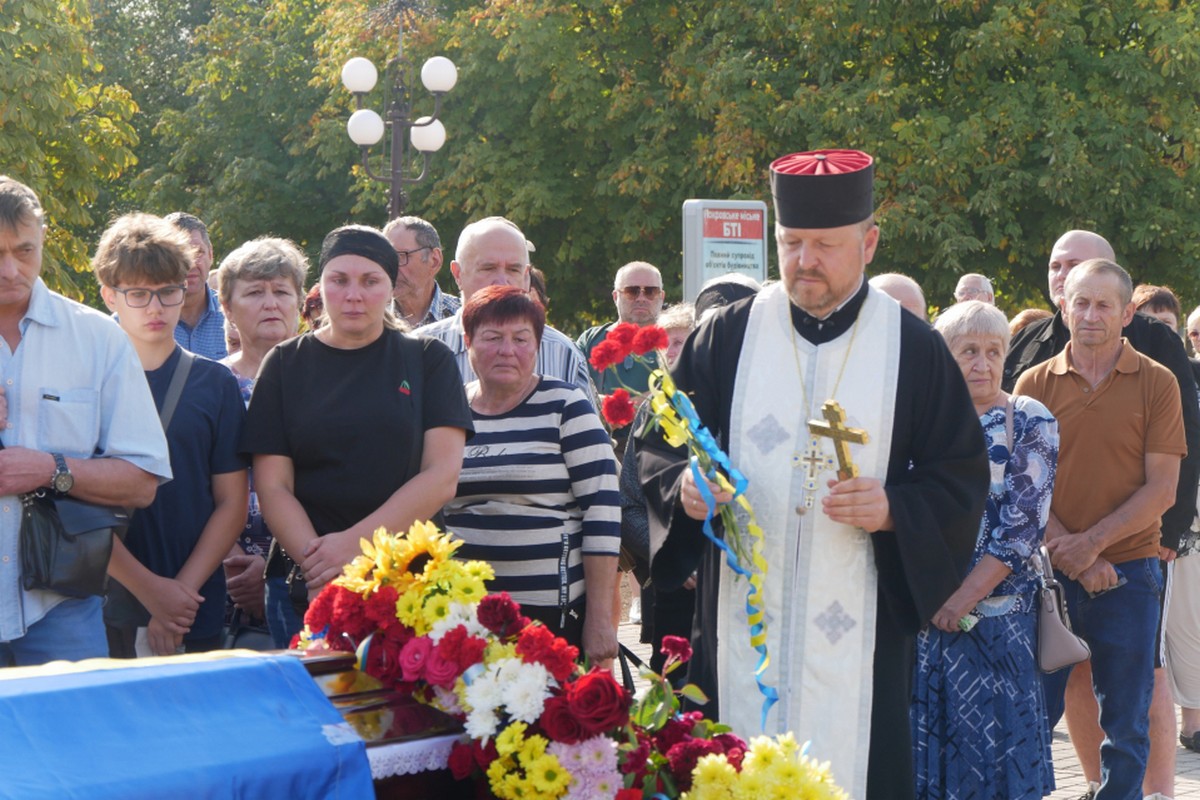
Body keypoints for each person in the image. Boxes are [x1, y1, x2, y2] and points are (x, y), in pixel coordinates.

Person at [637, 149, 988, 800]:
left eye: (826, 245)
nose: (805, 261)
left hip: (860, 641)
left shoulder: (912, 347)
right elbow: (657, 444)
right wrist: (685, 489)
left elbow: (960, 475)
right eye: (792, 242)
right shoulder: (728, 337)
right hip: (740, 632)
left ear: (869, 241)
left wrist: (892, 510)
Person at [1004, 231, 1200, 800]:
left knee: (1127, 723)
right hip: (1048, 576)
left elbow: (1162, 488)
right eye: (1080, 303)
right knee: (1032, 716)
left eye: (1103, 305)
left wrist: (1092, 546)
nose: (1090, 315)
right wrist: (1073, 552)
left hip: (1132, 573)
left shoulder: (1157, 382)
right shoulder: (1032, 383)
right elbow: (1024, 487)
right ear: (1064, 307)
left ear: (1127, 312)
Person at [243, 225, 472, 613]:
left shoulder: (427, 359)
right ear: (320, 285)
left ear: (391, 288)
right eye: (339, 280)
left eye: (370, 281)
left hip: (409, 588)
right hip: (307, 586)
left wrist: (354, 548)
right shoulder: (284, 364)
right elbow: (273, 487)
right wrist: (321, 568)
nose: (353, 295)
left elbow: (441, 477)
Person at [0, 178, 170, 666]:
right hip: (64, 611)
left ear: (44, 239)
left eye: (24, 250)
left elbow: (142, 482)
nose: (11, 269)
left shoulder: (98, 339)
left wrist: (49, 467)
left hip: (62, 609)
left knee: (74, 741)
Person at [912, 300, 1057, 799]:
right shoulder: (917, 422)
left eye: (994, 351)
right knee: (924, 764)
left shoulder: (1029, 419)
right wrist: (929, 596)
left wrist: (960, 599)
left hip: (999, 626)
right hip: (924, 629)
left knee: (1000, 767)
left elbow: (1022, 529)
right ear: (943, 357)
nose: (983, 362)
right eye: (968, 350)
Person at [95, 214, 248, 657]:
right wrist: (151, 593)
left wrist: (178, 595)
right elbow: (71, 505)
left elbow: (231, 502)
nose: (156, 308)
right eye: (138, 294)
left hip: (192, 602)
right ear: (110, 294)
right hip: (102, 601)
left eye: (168, 292)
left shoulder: (214, 383)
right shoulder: (87, 382)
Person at [443, 285, 619, 662]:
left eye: (521, 338)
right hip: (463, 616)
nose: (507, 350)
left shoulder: (567, 406)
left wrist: (601, 620)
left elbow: (603, 515)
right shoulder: (448, 410)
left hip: (549, 619)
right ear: (467, 341)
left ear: (537, 344)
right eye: (492, 337)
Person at [217, 237, 307, 647]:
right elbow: (190, 483)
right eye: (254, 292)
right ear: (227, 308)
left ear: (300, 303)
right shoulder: (209, 385)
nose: (271, 302)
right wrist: (234, 563)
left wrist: (276, 567)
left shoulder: (326, 380)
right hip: (222, 582)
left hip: (310, 575)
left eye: (281, 291)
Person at [422, 217, 597, 407]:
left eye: (513, 270)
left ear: (526, 276)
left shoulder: (563, 354)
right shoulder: (419, 352)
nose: (501, 282)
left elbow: (589, 434)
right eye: (488, 268)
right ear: (458, 274)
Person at [620, 301, 698, 676]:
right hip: (670, 592)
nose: (671, 351)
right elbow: (629, 504)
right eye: (665, 343)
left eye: (682, 341)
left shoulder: (734, 408)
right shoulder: (651, 412)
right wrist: (668, 558)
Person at [576, 261, 666, 395]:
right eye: (632, 291)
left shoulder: (675, 341)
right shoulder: (591, 340)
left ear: (662, 297)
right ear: (615, 297)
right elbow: (572, 387)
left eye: (650, 291)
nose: (641, 298)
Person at [1174, 305, 1200, 753]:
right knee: (1188, 630)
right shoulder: (1185, 380)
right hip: (1190, 531)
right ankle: (1192, 724)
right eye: (1195, 332)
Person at [164, 212, 227, 359]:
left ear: (211, 255)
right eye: (180, 255)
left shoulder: (235, 316)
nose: (191, 263)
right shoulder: (134, 324)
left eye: (198, 252)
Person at [382, 216, 460, 329]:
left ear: (434, 260)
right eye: (385, 258)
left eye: (400, 257)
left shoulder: (465, 318)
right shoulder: (373, 321)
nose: (390, 268)